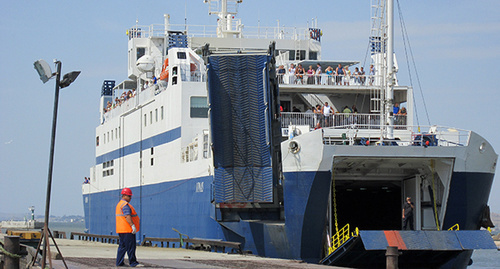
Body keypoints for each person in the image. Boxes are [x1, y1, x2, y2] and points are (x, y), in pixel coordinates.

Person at [116, 188, 142, 267]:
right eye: (129, 196)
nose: (130, 198)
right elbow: (127, 216)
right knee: (131, 247)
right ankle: (133, 263)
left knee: (122, 247)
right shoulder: (125, 205)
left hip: (121, 230)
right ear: (124, 196)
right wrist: (132, 226)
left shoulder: (119, 204)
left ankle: (119, 262)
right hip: (127, 229)